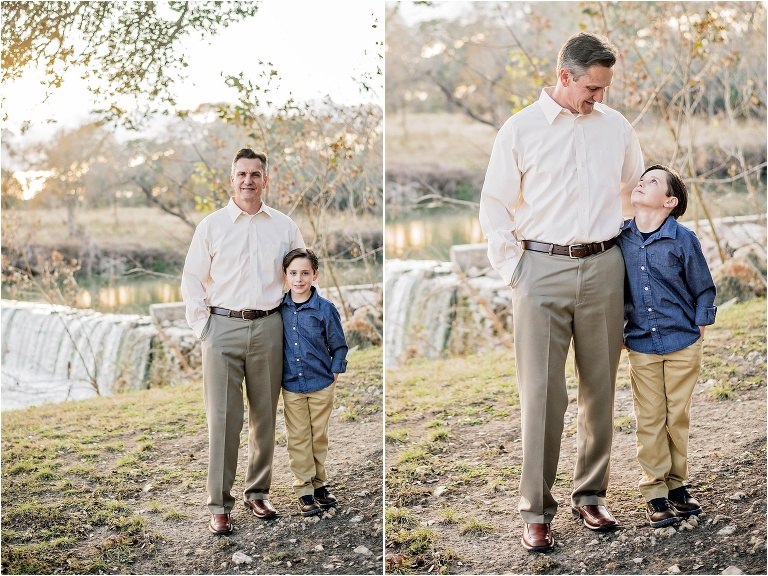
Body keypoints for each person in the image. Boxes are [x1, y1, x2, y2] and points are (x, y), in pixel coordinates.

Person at [479, 32, 645, 552]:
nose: (600, 97)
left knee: (600, 389)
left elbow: (638, 188)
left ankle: (590, 494)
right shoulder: (519, 129)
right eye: (592, 88)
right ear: (565, 77)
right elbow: (493, 204)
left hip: (604, 267)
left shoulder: (615, 126)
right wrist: (514, 270)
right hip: (540, 271)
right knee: (543, 396)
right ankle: (536, 508)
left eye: (604, 89)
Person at [181, 148, 305, 536]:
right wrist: (203, 327)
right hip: (221, 328)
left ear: (265, 180)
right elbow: (191, 280)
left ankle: (258, 491)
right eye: (241, 174)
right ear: (231, 180)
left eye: (255, 174)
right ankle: (219, 503)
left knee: (265, 415)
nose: (248, 180)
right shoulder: (212, 226)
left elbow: (300, 271)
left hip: (270, 327)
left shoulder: (284, 225)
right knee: (223, 419)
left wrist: (299, 322)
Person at [615, 164, 716, 528]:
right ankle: (654, 490)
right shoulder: (619, 236)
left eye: (653, 181)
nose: (642, 182)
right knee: (650, 418)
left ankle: (678, 486)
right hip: (641, 343)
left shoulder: (683, 239)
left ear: (670, 201)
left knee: (677, 417)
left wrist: (702, 322)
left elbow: (703, 286)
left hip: (682, 342)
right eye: (642, 178)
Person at [280, 248, 348, 516]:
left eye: (305, 273)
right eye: (293, 273)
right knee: (298, 437)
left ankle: (320, 485)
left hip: (321, 384)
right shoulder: (278, 310)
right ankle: (304, 489)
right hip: (291, 386)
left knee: (318, 436)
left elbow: (339, 345)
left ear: (315, 275)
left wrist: (334, 371)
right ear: (285, 276)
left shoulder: (325, 309)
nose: (299, 279)